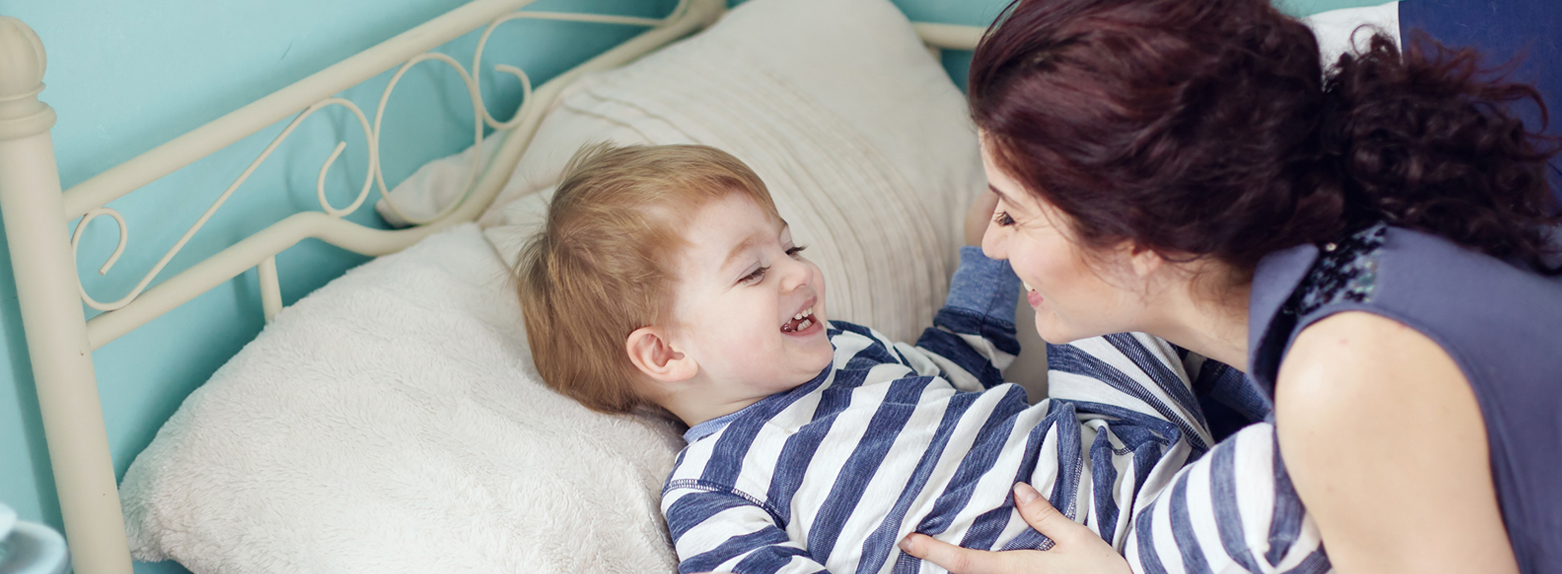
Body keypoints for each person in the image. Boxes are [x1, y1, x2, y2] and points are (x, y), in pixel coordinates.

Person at [898, 0, 1562, 574]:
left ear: (1138, 238)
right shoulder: (1381, 218)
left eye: (1013, 213)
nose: (992, 243)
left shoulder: (1347, 369)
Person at [513, 143, 1319, 573]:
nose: (799, 272)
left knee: (1106, 269)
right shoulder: (718, 491)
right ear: (663, 352)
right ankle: (1310, 412)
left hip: (1119, 434)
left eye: (789, 246)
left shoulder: (849, 352)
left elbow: (959, 362)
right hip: (1125, 544)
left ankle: (1264, 367)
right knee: (1282, 481)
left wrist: (986, 257)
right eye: (755, 271)